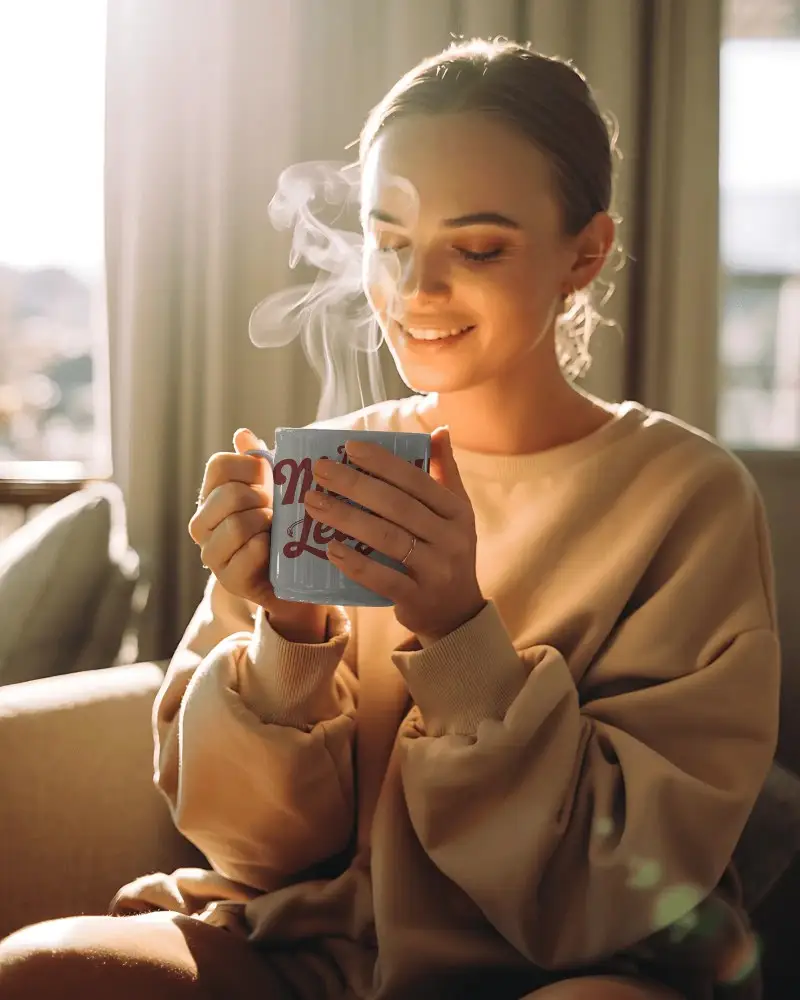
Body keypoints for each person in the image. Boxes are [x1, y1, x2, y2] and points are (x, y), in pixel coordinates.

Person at [0, 37, 780, 1000]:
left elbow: (616, 884)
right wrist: (286, 631)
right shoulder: (333, 466)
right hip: (317, 948)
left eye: (479, 248)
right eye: (391, 241)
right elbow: (248, 847)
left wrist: (460, 632)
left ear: (586, 252)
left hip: (573, 966)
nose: (415, 293)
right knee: (38, 970)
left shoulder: (684, 497)